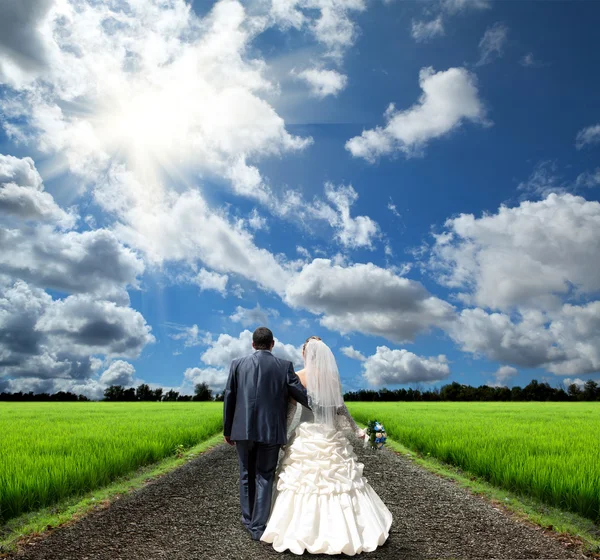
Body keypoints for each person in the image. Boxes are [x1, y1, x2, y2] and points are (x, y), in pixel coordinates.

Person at [260, 336, 393, 555]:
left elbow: (291, 410)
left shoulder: (298, 377)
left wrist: (282, 433)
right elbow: (341, 409)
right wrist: (357, 430)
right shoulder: (332, 378)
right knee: (340, 482)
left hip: (307, 435)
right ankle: (345, 531)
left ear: (304, 354)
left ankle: (300, 531)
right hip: (330, 434)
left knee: (302, 482)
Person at [223, 327, 310, 541]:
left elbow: (229, 397)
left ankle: (248, 519)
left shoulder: (237, 365)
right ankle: (258, 527)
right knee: (264, 476)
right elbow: (302, 396)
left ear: (253, 344)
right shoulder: (284, 366)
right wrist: (328, 405)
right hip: (271, 431)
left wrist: (228, 430)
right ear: (273, 344)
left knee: (245, 475)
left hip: (242, 430)